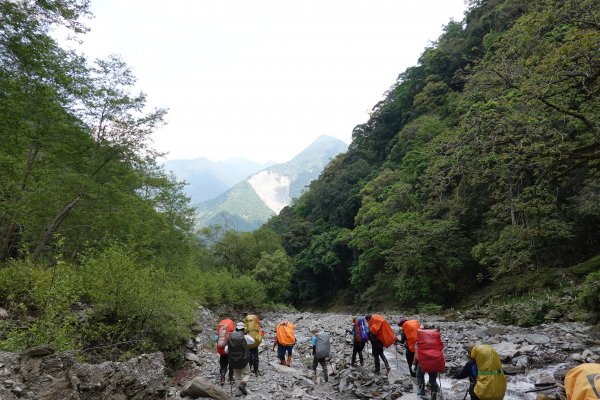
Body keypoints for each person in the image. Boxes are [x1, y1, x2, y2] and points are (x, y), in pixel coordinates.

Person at [414, 326, 443, 400]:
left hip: (423, 360)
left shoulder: (420, 338)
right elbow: (441, 348)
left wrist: (414, 363)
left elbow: (417, 354)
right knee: (433, 378)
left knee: (419, 374)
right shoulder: (435, 337)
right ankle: (433, 393)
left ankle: (422, 390)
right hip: (434, 360)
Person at [226, 321, 255, 395]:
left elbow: (226, 350)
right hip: (244, 360)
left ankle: (238, 393)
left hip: (234, 361)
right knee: (247, 374)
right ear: (243, 329)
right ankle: (243, 383)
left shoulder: (231, 337)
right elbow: (253, 341)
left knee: (237, 377)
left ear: (236, 328)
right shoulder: (245, 336)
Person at [215, 318, 235, 386]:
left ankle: (222, 378)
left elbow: (215, 339)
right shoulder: (232, 333)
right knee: (231, 365)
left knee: (223, 366)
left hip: (222, 351)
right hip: (230, 352)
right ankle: (231, 378)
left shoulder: (220, 333)